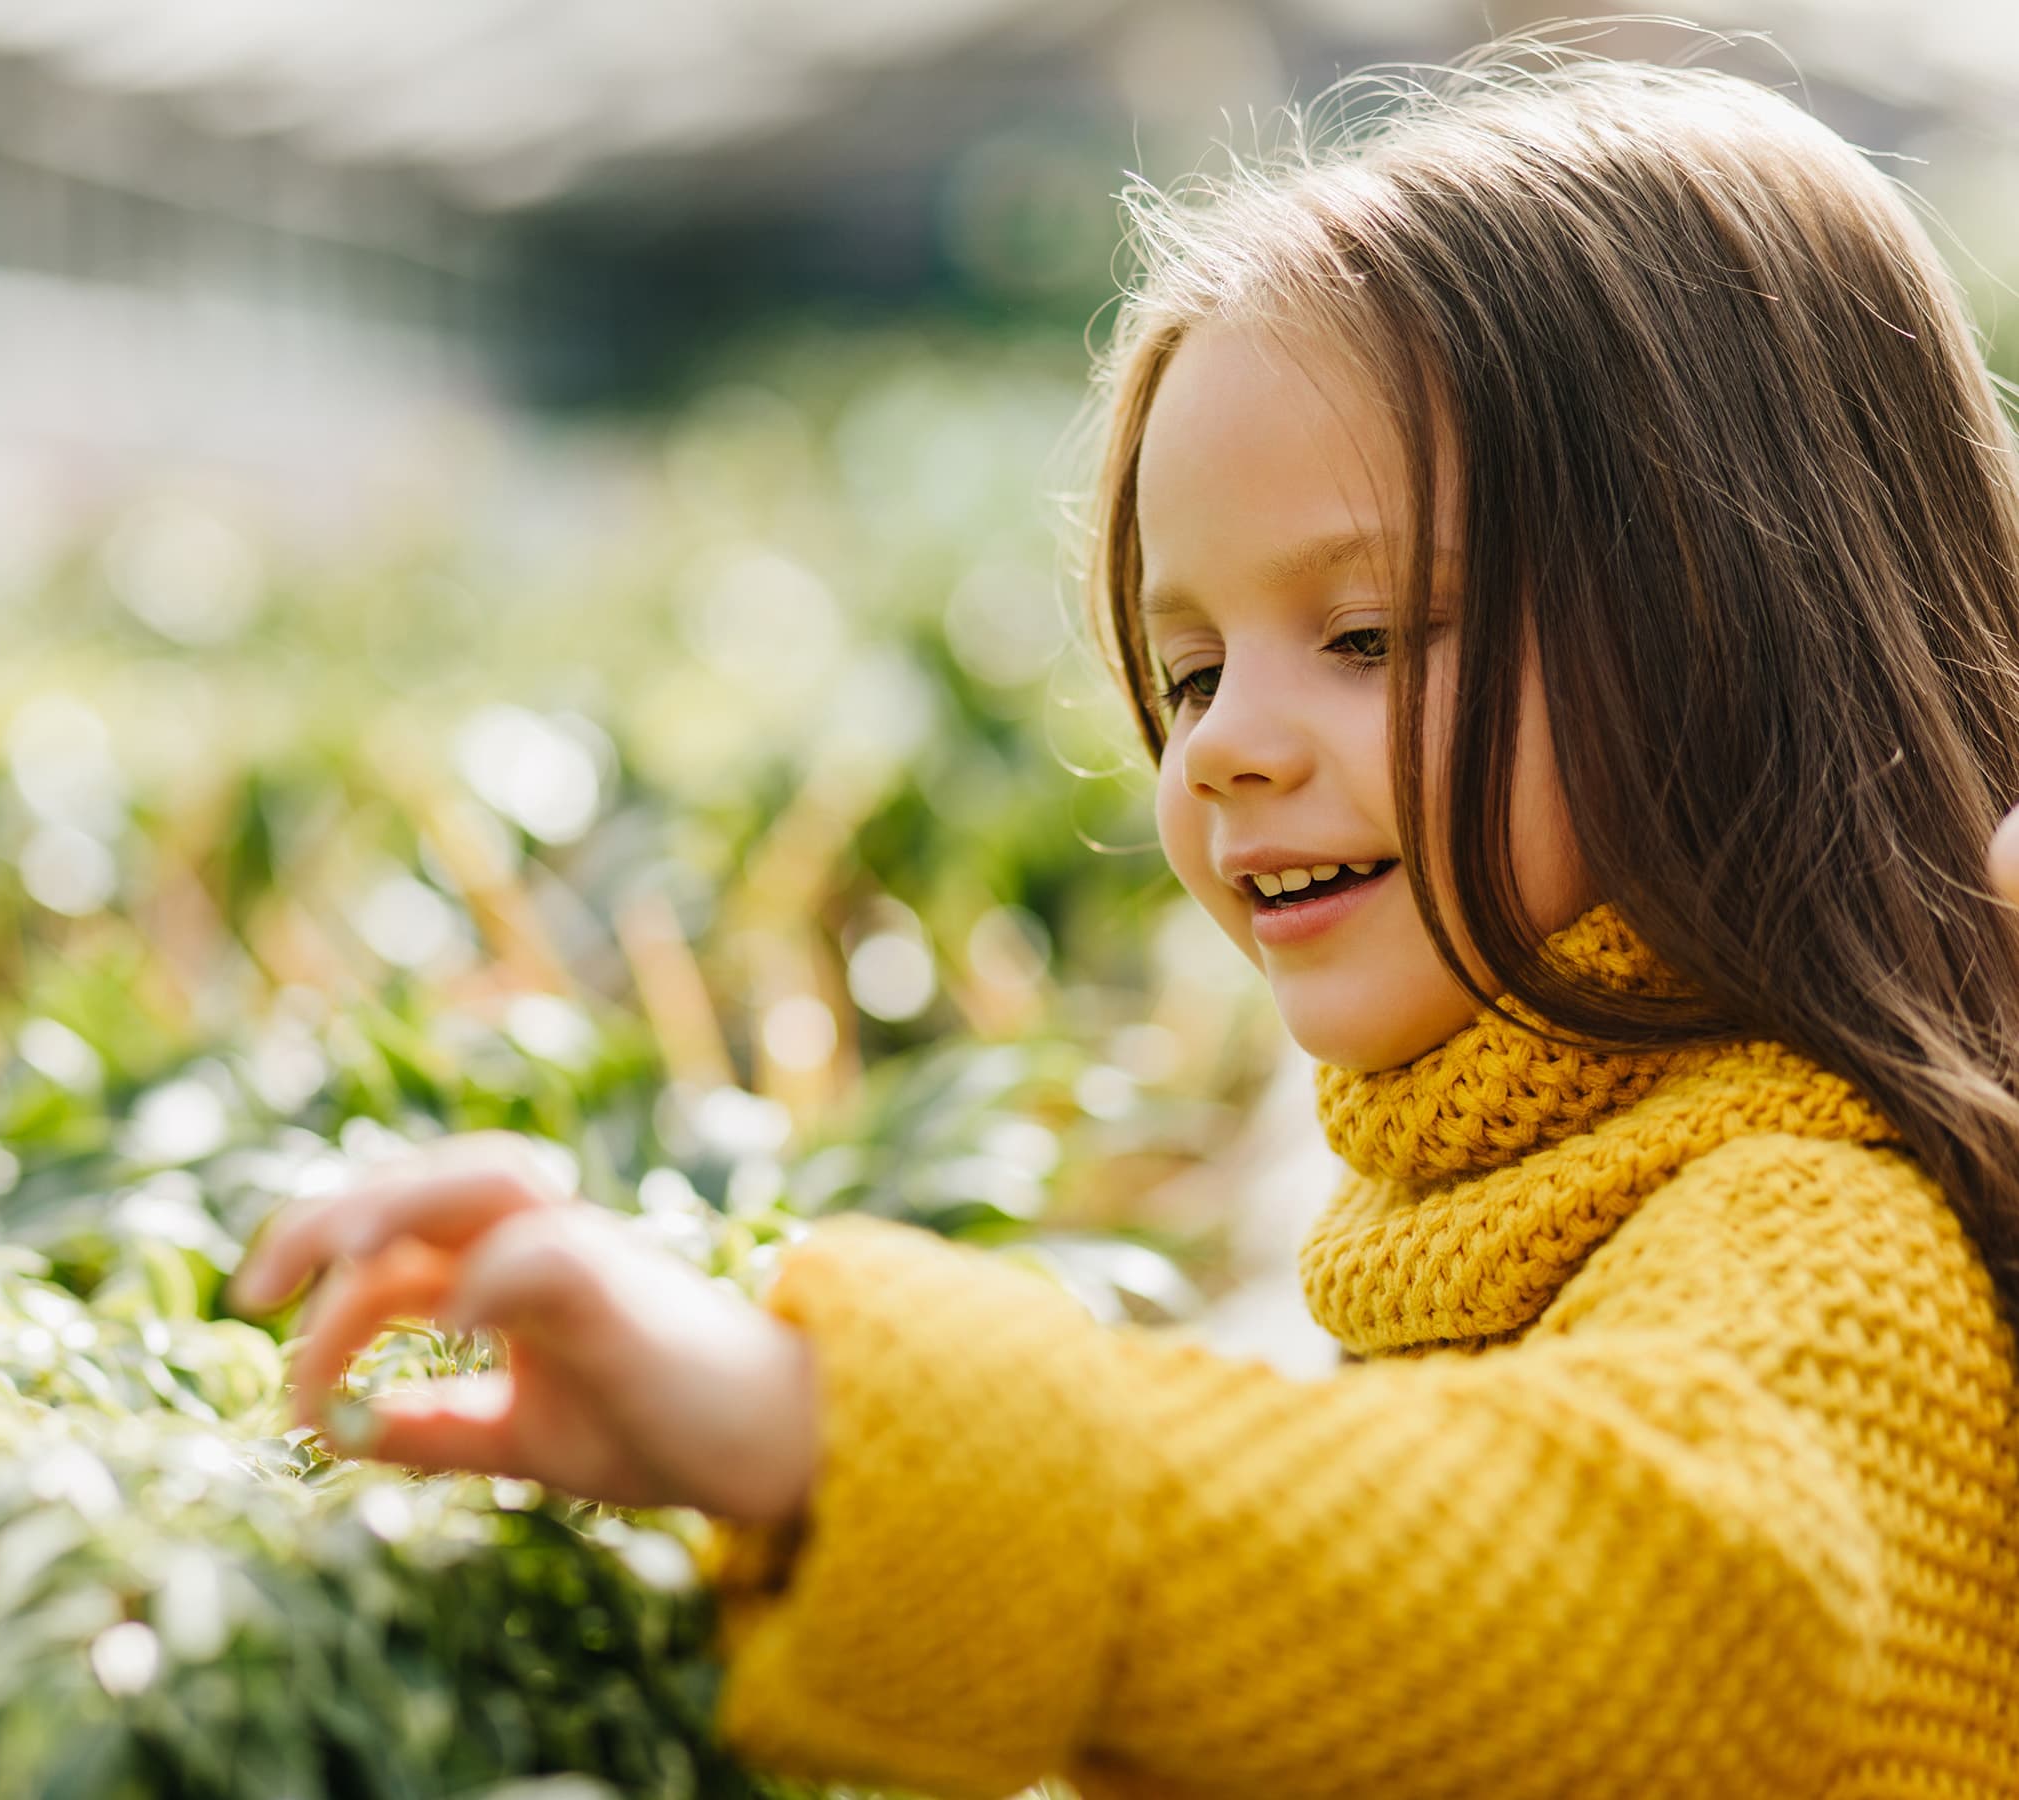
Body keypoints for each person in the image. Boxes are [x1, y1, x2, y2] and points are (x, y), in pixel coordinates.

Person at [226, 39, 2019, 1799]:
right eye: (1191, 666)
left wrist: (819, 1421)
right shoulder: (1502, 1206)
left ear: (1747, 644)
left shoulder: (1821, 1226)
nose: (1228, 743)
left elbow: (1646, 1600)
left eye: (1371, 637)